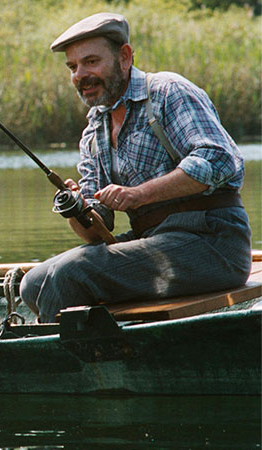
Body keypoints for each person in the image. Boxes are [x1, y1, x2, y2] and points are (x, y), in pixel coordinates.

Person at [20, 13, 251, 322]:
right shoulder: (94, 130)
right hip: (155, 242)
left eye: (91, 62)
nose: (80, 75)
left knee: (70, 274)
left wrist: (138, 194)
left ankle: (65, 365)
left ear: (124, 57)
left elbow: (219, 158)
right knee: (32, 283)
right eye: (73, 67)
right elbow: (96, 232)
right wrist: (76, 208)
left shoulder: (168, 92)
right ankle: (98, 352)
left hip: (213, 243)